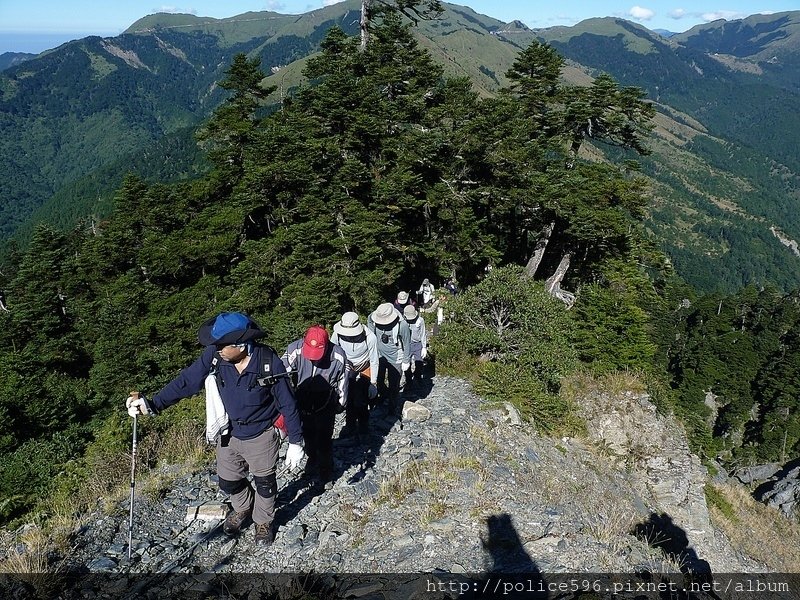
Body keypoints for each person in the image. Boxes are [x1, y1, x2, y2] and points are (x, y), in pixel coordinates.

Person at [125, 312, 305, 546]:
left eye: (221, 345)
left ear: (240, 345)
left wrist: (296, 442)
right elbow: (187, 381)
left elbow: (287, 403)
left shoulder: (269, 362)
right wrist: (152, 404)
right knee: (228, 481)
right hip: (229, 432)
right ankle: (244, 507)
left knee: (265, 483)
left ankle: (263, 522)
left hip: (261, 432)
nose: (216, 348)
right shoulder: (215, 357)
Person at [281, 325, 348, 486]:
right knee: (307, 432)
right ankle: (312, 458)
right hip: (301, 394)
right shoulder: (294, 349)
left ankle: (326, 470)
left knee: (325, 436)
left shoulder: (338, 355)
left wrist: (341, 403)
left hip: (325, 397)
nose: (313, 358)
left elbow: (343, 382)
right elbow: (282, 373)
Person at [331, 312, 379, 437]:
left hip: (365, 367)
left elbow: (374, 360)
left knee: (361, 400)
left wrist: (373, 383)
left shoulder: (370, 337)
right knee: (349, 397)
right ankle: (350, 425)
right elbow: (333, 353)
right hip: (347, 367)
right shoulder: (337, 334)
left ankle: (364, 426)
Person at [367, 302, 411, 416]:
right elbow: (371, 332)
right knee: (379, 381)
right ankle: (382, 396)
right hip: (379, 356)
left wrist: (406, 360)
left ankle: (392, 407)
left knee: (394, 384)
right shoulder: (372, 318)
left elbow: (407, 344)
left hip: (396, 358)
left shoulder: (402, 325)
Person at [403, 305, 428, 390]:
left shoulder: (420, 320)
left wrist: (424, 347)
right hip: (407, 345)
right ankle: (409, 380)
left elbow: (423, 333)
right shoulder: (403, 322)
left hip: (417, 344)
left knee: (419, 363)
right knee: (407, 363)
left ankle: (418, 376)